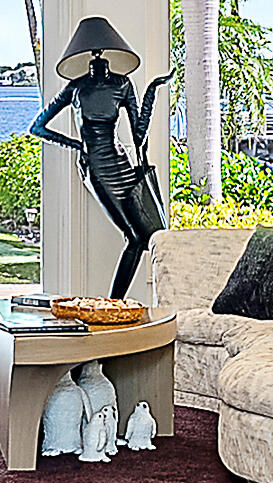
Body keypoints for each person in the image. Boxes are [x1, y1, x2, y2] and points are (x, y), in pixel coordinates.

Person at [30, 16, 170, 299]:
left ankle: (114, 303)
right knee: (133, 236)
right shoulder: (77, 87)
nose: (98, 61)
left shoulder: (123, 84)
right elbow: (38, 127)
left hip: (122, 163)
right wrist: (77, 144)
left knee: (145, 237)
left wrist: (152, 91)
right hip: (96, 168)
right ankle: (114, 303)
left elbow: (138, 134)